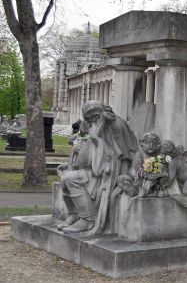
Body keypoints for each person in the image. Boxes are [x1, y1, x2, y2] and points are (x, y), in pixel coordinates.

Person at [56, 100, 138, 234]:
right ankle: (75, 214)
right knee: (65, 178)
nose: (92, 121)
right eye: (89, 119)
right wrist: (77, 152)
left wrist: (96, 139)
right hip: (93, 168)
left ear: (100, 113)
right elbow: (84, 144)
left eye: (95, 118)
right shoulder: (91, 125)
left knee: (70, 179)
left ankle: (88, 220)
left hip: (108, 172)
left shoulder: (117, 125)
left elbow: (121, 156)